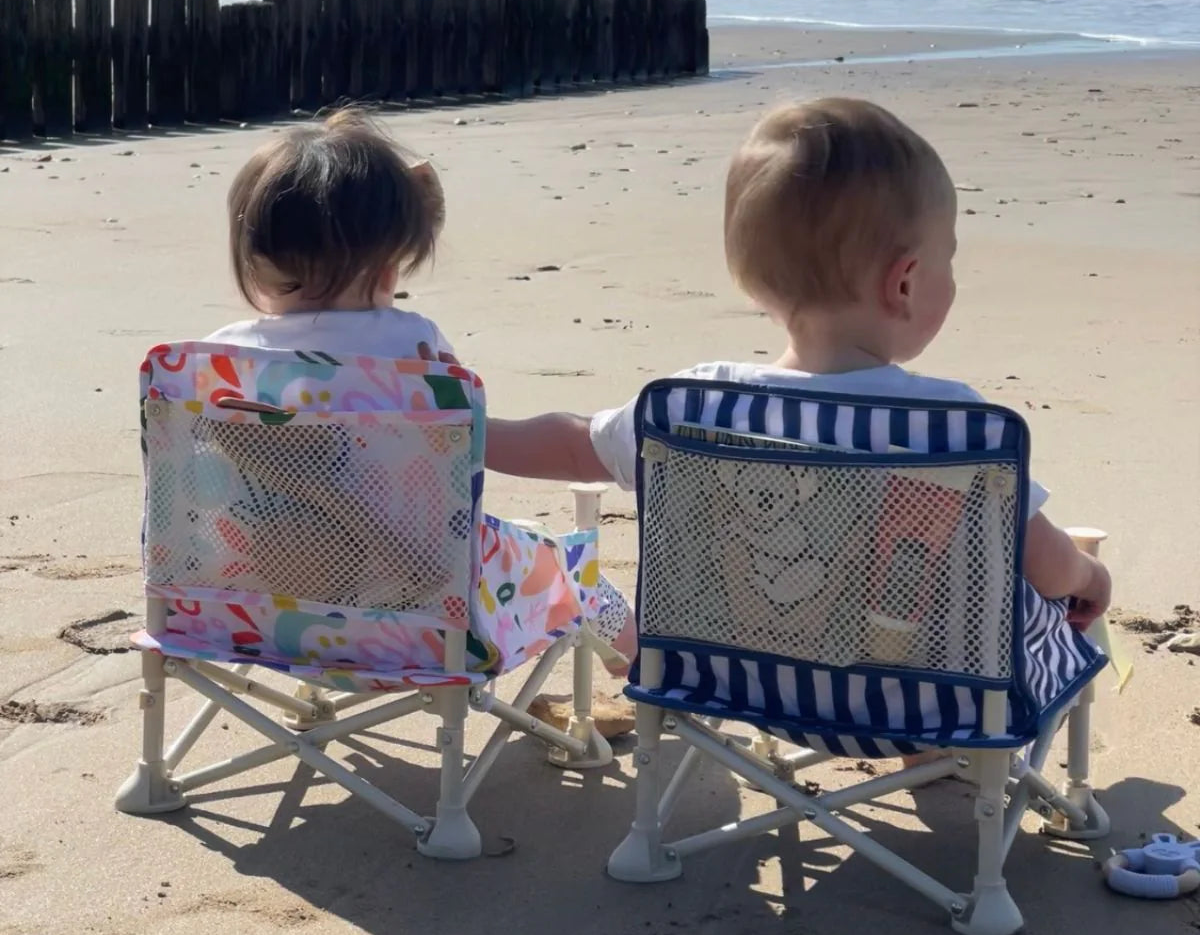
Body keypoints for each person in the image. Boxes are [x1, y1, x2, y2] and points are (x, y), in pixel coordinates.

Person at [486, 97, 1112, 657]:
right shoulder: (951, 425)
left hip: (731, 682)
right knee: (1045, 617)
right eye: (949, 257)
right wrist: (1089, 578)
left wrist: (470, 435)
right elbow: (1046, 566)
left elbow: (572, 444)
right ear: (904, 282)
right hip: (918, 708)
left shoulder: (691, 405)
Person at [204, 106, 636, 696]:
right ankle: (639, 664)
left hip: (253, 618)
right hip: (419, 623)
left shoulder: (214, 366)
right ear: (390, 267)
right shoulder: (412, 350)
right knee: (570, 569)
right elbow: (464, 440)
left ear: (253, 257)